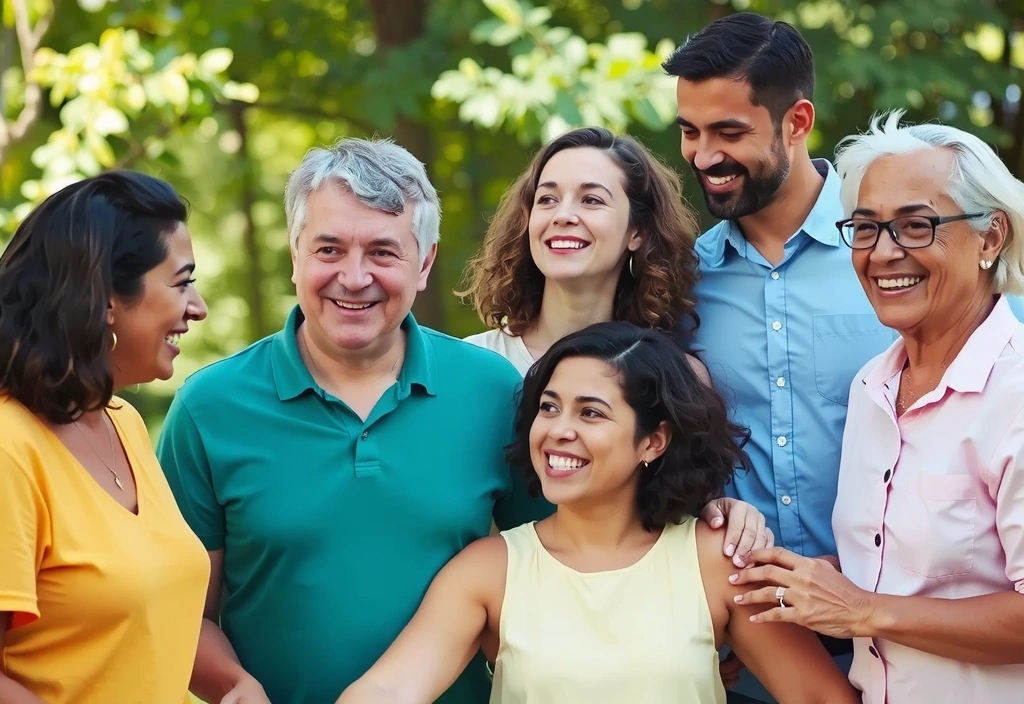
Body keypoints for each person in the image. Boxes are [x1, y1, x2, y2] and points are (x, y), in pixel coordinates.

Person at [336, 322, 859, 704]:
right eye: (549, 406)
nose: (559, 429)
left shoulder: (716, 560)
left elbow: (821, 698)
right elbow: (388, 688)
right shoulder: (489, 570)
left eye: (591, 412)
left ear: (653, 441)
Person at [732, 111, 1024, 702]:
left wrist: (863, 610)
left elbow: (873, 606)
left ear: (990, 237)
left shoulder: (1014, 394)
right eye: (865, 229)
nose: (883, 253)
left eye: (917, 226)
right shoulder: (874, 387)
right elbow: (903, 569)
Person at [661, 12, 898, 700]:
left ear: (796, 122)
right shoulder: (680, 286)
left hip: (907, 639)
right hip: (750, 658)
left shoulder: (892, 258)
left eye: (729, 132)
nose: (704, 155)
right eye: (690, 132)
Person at [460, 125, 773, 571]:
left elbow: (685, 521)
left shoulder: (677, 378)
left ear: (638, 232)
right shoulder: (470, 367)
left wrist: (724, 514)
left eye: (591, 200)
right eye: (547, 199)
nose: (563, 214)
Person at [0, 171, 210, 703]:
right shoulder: (10, 447)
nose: (198, 306)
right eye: (182, 282)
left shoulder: (123, 421)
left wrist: (234, 683)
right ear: (105, 300)